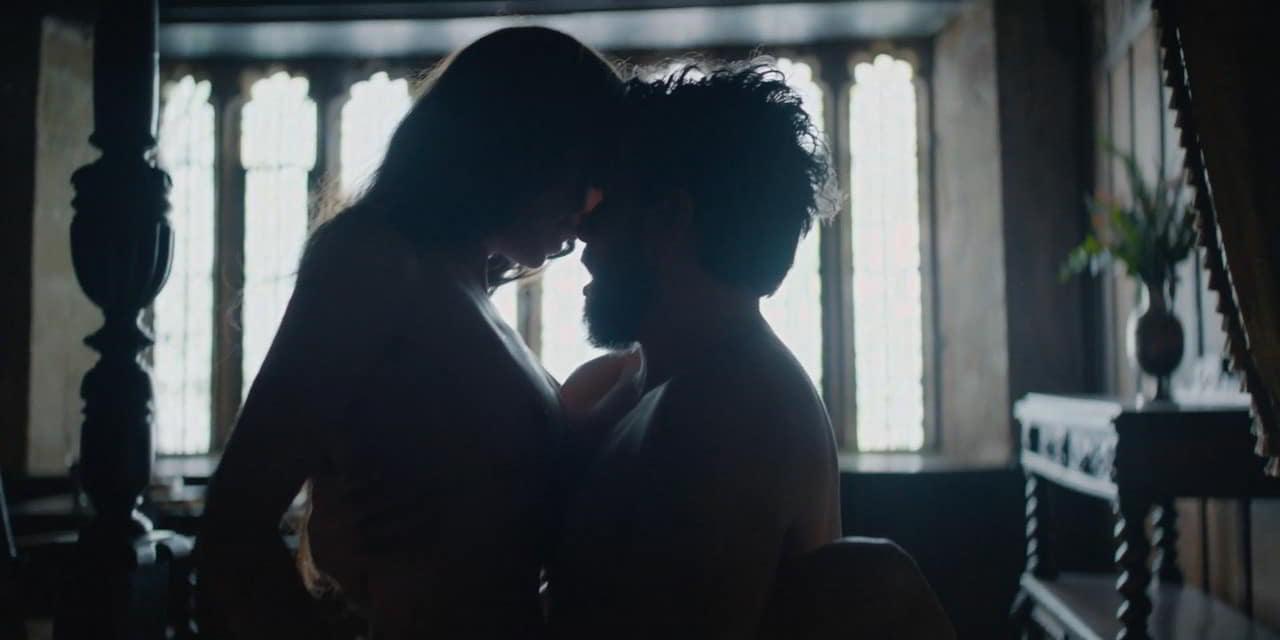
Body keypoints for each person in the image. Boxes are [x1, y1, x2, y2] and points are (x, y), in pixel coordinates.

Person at [194, 27, 622, 639]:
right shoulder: (374, 258)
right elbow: (235, 523)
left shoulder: (466, 287)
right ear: (528, 148)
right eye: (586, 176)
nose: (586, 212)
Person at [550, 62, 843, 639]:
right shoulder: (624, 382)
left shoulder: (732, 413)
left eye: (609, 202)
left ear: (668, 220)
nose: (583, 229)